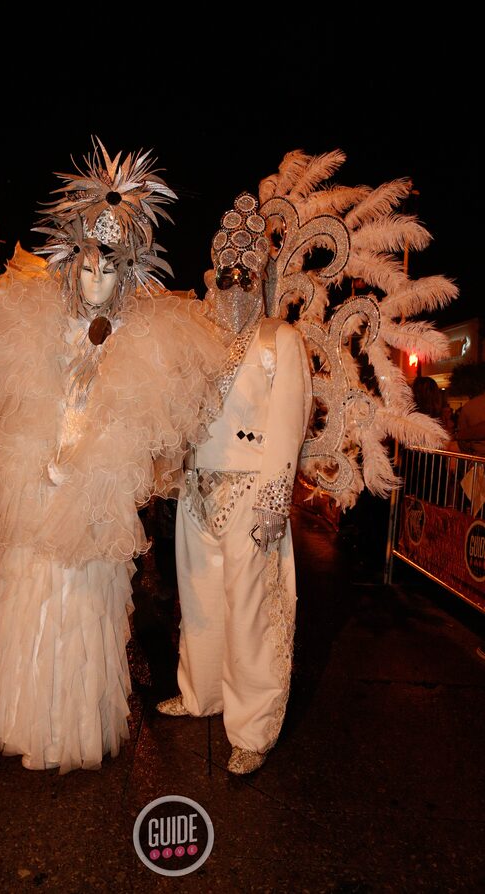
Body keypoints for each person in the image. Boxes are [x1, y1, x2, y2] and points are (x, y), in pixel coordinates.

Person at [0, 140, 224, 773]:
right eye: (89, 267)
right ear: (73, 264)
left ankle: (71, 729)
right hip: (38, 480)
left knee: (80, 604)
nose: (97, 281)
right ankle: (23, 718)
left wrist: (91, 464)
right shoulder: (46, 321)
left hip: (90, 491)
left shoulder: (141, 338)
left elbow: (138, 421)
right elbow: (18, 387)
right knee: (30, 593)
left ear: (129, 273)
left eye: (111, 269)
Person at [157, 192, 312, 775]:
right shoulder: (197, 340)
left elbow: (287, 426)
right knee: (198, 603)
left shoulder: (281, 340)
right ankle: (202, 694)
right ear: (213, 277)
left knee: (252, 611)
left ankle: (252, 728)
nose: (237, 284)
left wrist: (275, 499)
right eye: (228, 274)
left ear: (262, 280)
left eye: (248, 275)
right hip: (198, 491)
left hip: (251, 494)